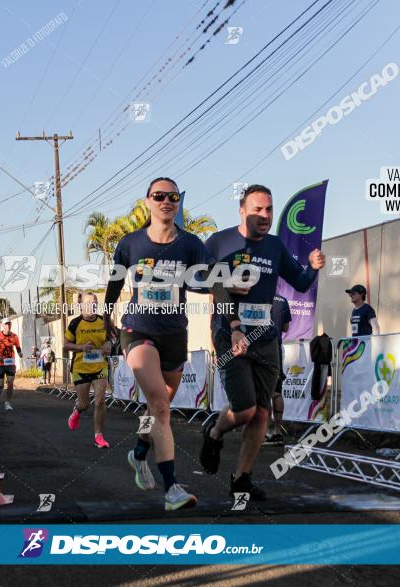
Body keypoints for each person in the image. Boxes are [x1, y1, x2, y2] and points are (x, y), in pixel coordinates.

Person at [104, 176, 232, 511]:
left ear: (178, 202)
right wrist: (107, 320)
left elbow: (215, 280)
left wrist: (229, 322)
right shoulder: (131, 244)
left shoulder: (190, 244)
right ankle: (172, 487)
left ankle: (139, 452)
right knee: (161, 406)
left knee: (156, 407)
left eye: (173, 196)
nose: (166, 201)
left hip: (175, 334)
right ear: (148, 201)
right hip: (137, 330)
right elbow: (114, 285)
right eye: (159, 196)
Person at [200, 184, 324, 500]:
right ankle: (214, 432)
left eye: (269, 209)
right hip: (230, 335)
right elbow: (198, 279)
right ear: (242, 210)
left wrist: (313, 266)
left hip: (266, 338)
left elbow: (300, 281)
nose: (265, 215)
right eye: (258, 209)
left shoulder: (275, 246)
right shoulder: (220, 241)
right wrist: (225, 284)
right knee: (244, 409)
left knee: (261, 413)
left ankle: (241, 479)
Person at [64, 292, 113, 448]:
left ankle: (98, 436)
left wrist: (108, 345)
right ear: (80, 305)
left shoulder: (104, 321)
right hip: (81, 367)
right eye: (86, 303)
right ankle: (77, 410)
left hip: (100, 365)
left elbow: (112, 338)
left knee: (100, 400)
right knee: (85, 404)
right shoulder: (74, 323)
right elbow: (66, 345)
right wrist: (81, 347)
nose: (89, 306)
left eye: (92, 302)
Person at [265, 294, 290, 444]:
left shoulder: (260, 295)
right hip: (276, 348)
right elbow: (286, 327)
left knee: (264, 393)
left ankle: (266, 432)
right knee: (276, 391)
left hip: (261, 347)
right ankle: (277, 431)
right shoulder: (283, 300)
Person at [0, 320, 23, 410]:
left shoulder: (14, 336)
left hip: (10, 363)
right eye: (6, 324)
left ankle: (7, 403)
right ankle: (0, 389)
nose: (8, 326)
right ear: (2, 325)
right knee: (0, 385)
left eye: (9, 324)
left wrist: (20, 353)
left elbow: (18, 347)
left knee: (10, 383)